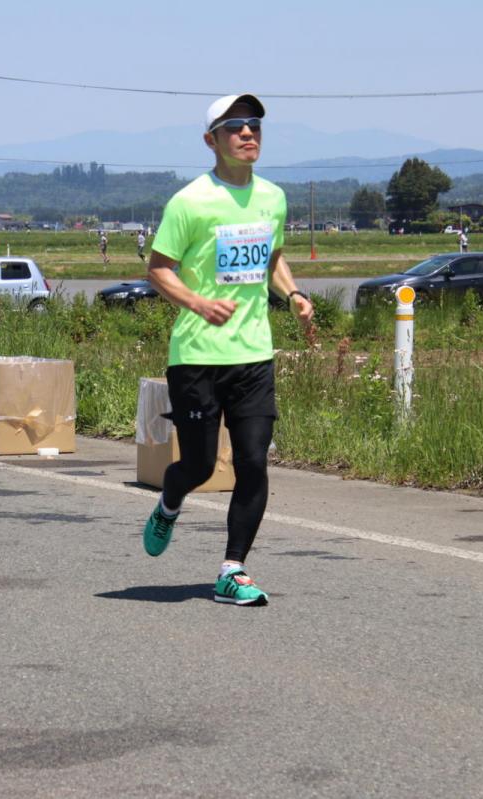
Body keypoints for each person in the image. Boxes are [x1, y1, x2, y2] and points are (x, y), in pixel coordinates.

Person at [140, 93, 314, 606]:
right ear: (211, 140)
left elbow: (273, 257)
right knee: (197, 466)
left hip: (254, 354)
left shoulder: (273, 198)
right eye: (235, 126)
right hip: (197, 356)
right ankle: (169, 503)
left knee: (253, 461)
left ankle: (232, 569)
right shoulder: (190, 201)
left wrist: (294, 294)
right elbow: (158, 269)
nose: (247, 133)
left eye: (254, 124)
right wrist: (198, 303)